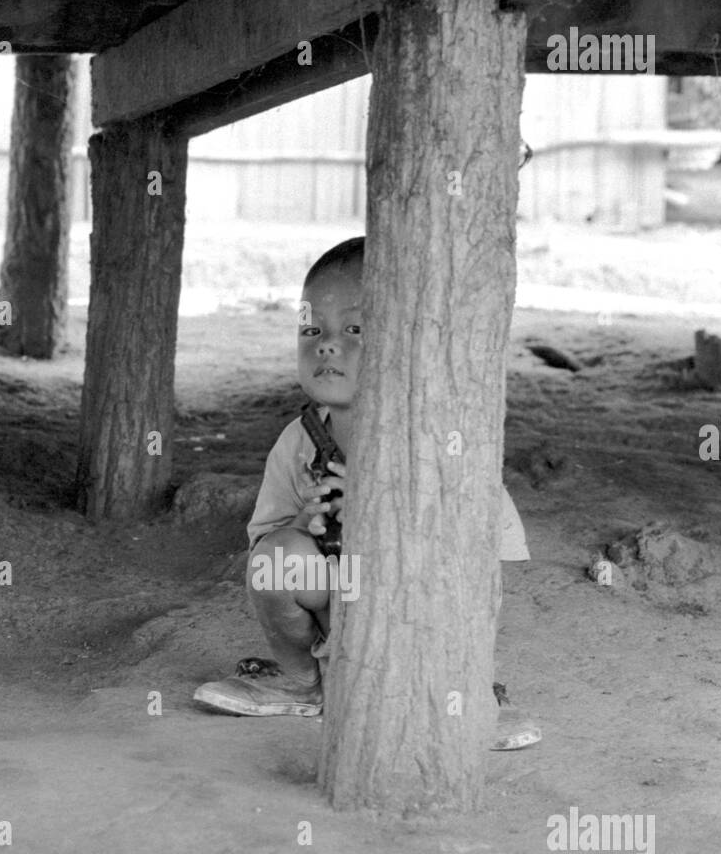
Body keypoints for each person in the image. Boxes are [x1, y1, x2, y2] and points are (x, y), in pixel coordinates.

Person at [193, 237, 540, 750]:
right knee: (278, 558)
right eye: (312, 330)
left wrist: (378, 512)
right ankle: (305, 682)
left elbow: (484, 560)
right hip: (338, 612)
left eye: (355, 329)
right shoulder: (300, 441)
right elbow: (265, 546)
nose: (326, 345)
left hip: (420, 626)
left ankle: (460, 696)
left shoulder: (441, 439)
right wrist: (306, 524)